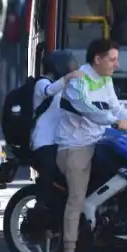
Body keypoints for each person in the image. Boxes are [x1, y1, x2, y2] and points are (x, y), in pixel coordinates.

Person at [56, 39, 127, 252]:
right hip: (76, 146)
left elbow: (116, 107)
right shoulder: (79, 80)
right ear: (98, 59)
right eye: (113, 59)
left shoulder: (105, 79)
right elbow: (89, 110)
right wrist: (115, 121)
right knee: (76, 198)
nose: (117, 64)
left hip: (99, 140)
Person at [31, 51, 80, 209]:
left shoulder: (61, 87)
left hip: (57, 143)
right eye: (69, 67)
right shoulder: (42, 83)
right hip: (43, 144)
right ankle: (41, 210)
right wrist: (67, 78)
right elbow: (48, 91)